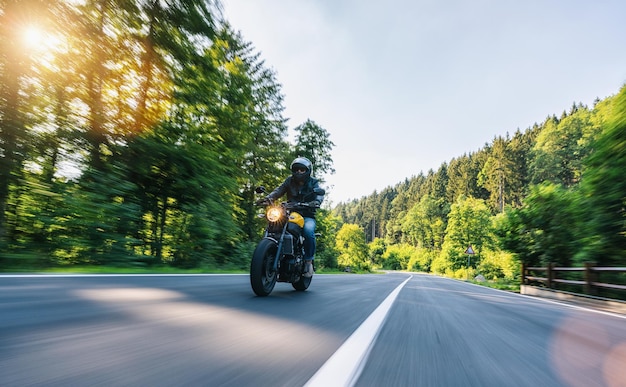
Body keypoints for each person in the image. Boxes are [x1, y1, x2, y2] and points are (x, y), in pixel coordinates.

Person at [265, 157, 324, 277]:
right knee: (273, 224)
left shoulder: (313, 182)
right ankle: (267, 253)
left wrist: (316, 202)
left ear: (307, 171)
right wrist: (269, 198)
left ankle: (308, 261)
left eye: (302, 170)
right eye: (296, 169)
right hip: (289, 213)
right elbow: (279, 190)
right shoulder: (289, 181)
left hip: (307, 215)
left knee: (308, 231)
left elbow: (319, 195)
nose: (299, 172)